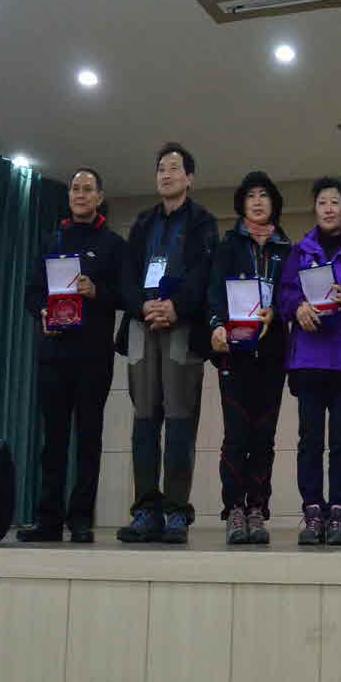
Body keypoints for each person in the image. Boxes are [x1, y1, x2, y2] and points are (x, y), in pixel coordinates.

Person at [115, 143, 218, 544]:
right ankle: (146, 510)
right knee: (144, 421)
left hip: (181, 327)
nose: (166, 174)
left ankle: (176, 511)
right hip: (143, 326)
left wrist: (176, 306)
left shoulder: (203, 222)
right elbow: (126, 274)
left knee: (179, 421)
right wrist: (143, 307)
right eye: (161, 168)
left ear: (189, 178)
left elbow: (204, 272)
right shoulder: (143, 222)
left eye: (174, 168)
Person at [19, 167, 125, 543]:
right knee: (53, 440)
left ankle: (81, 519)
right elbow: (32, 292)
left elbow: (126, 295)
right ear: (69, 197)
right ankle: (48, 519)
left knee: (88, 438)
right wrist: (42, 312)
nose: (80, 194)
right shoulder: (51, 240)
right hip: (54, 352)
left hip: (93, 355)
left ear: (100, 197)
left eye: (87, 189)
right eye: (75, 189)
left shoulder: (113, 244)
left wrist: (97, 291)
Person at [279, 177, 341, 546]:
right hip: (309, 360)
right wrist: (297, 307)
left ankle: (339, 512)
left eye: (335, 202)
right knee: (310, 440)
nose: (329, 209)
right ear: (315, 210)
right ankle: (313, 512)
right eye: (322, 203)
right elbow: (283, 296)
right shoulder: (299, 252)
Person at [209, 171, 291, 546]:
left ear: (274, 203)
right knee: (235, 436)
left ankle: (257, 508)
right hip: (234, 354)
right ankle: (234, 510)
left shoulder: (285, 249)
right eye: (251, 196)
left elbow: (292, 295)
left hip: (272, 355)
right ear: (242, 203)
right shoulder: (228, 246)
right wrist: (216, 326)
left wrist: (279, 312)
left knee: (264, 437)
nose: (257, 202)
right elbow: (213, 292)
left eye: (264, 195)